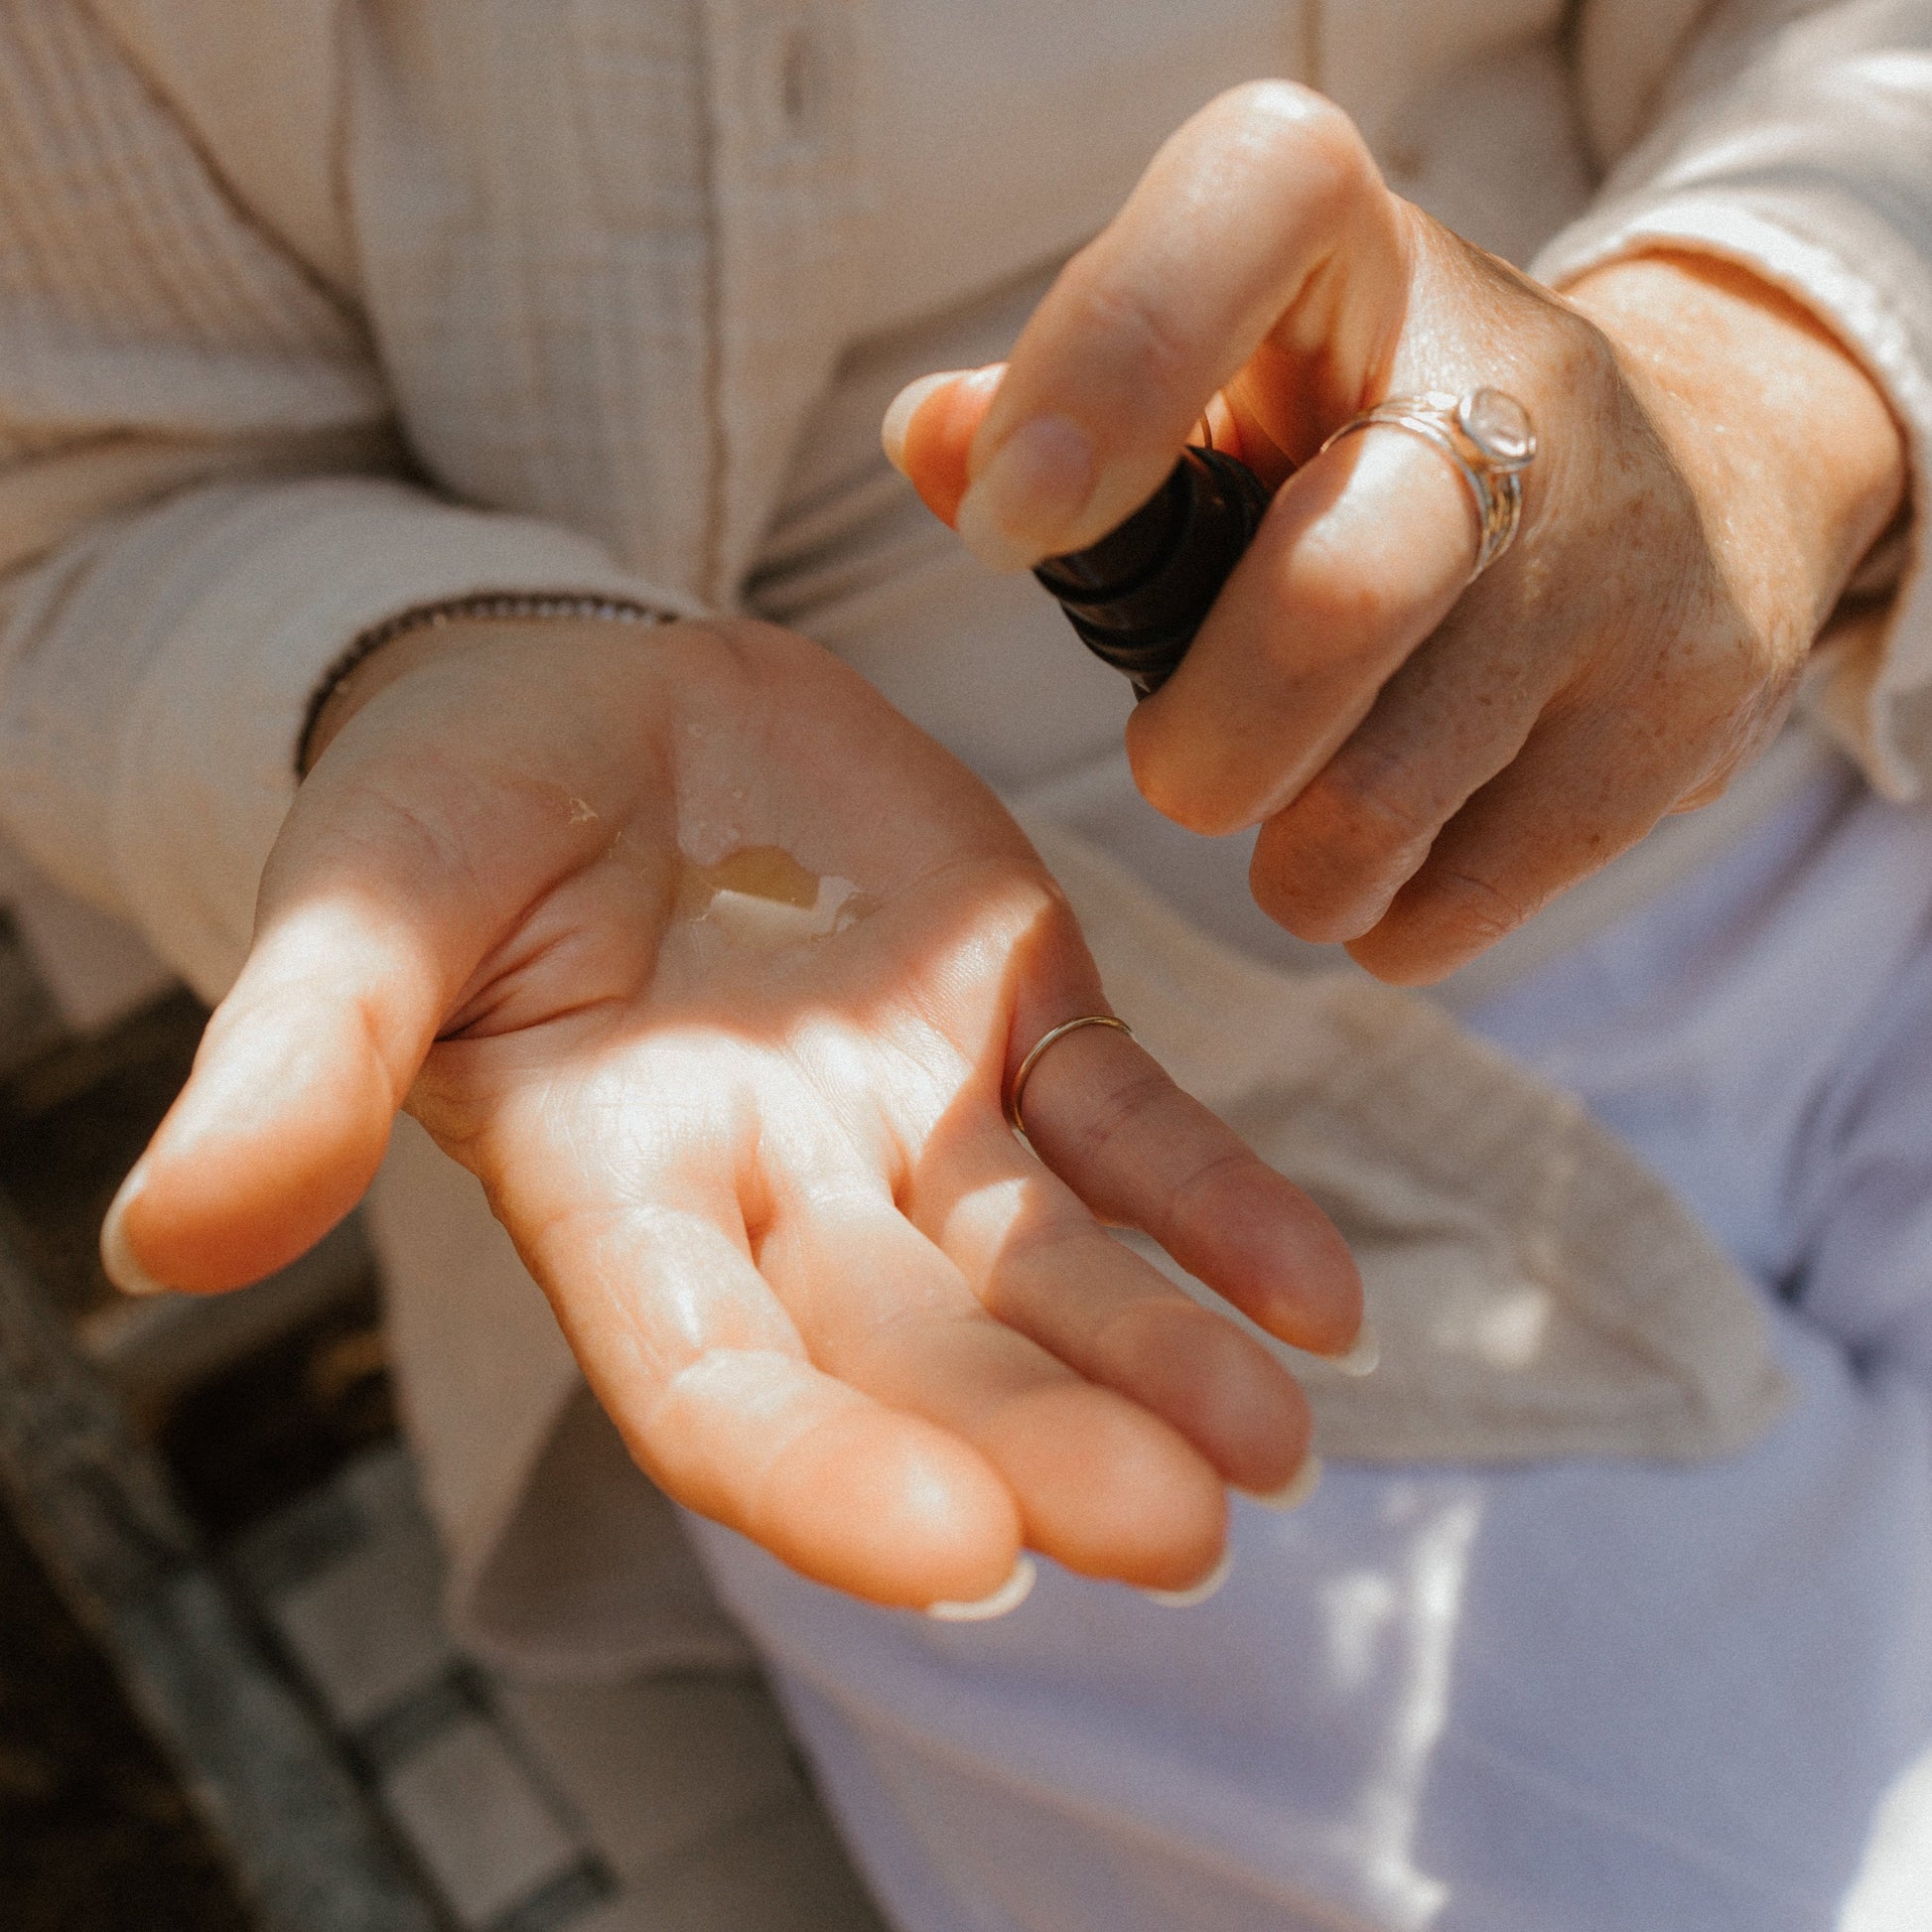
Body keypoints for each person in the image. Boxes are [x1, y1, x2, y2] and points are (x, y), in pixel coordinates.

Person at [3, 0, 1931, 1923]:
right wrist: (413, 665)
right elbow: (77, 500)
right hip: (957, 1160)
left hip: (1836, 731)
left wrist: (1763, 360)